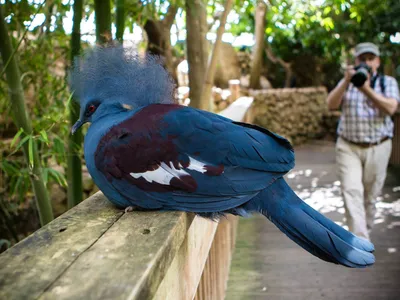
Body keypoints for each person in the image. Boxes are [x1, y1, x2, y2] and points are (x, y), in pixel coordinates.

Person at [327, 42, 400, 241]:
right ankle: (360, 241)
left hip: (379, 146)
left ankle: (363, 230)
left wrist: (365, 88)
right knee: (351, 190)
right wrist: (346, 81)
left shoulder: (388, 83)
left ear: (377, 61)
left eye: (370, 59)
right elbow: (331, 105)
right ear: (356, 61)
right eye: (362, 59)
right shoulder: (347, 82)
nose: (366, 63)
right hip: (348, 145)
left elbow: (391, 109)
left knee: (370, 196)